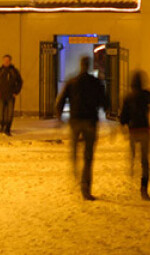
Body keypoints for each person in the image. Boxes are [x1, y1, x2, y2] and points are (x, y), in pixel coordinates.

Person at [55, 56, 107, 201]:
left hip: (75, 120)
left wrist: (59, 116)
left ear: (80, 65)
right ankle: (85, 186)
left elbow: (61, 99)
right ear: (89, 65)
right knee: (88, 156)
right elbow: (104, 100)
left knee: (74, 149)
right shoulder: (96, 82)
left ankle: (74, 171)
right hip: (90, 120)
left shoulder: (72, 81)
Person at [119, 70, 150, 200]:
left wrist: (123, 124)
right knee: (145, 161)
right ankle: (144, 189)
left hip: (133, 131)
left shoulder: (128, 97)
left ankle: (132, 170)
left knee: (133, 155)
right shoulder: (146, 94)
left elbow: (123, 117)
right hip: (144, 130)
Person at [0, 54, 23, 136]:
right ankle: (2, 126)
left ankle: (8, 128)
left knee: (9, 113)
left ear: (10, 61)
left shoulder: (14, 71)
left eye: (8, 60)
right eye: (5, 60)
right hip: (1, 95)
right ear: (3, 61)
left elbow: (19, 82)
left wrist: (16, 92)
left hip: (10, 95)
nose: (6, 62)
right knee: (0, 113)